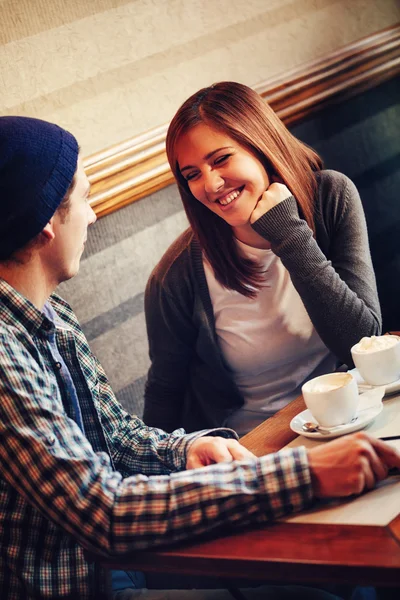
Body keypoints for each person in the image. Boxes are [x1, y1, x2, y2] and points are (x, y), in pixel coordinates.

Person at [0, 116, 398, 600]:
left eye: (221, 159)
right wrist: (304, 475)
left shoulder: (51, 314)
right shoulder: (5, 354)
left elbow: (116, 437)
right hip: (84, 583)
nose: (94, 216)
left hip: (119, 566)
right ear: (45, 226)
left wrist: (186, 449)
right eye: (84, 199)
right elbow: (102, 510)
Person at [143, 81, 382, 436]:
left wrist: (289, 235)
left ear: (261, 146)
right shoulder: (176, 277)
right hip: (254, 449)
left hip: (352, 416)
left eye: (220, 159)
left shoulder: (332, 197)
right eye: (192, 174)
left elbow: (363, 341)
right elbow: (164, 396)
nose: (209, 185)